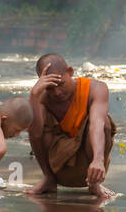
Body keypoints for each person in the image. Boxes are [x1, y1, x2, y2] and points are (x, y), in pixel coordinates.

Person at [27, 53, 117, 201]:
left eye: (61, 84)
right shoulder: (41, 97)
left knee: (105, 122)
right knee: (35, 118)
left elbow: (97, 124)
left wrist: (98, 160)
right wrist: (33, 96)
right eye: (50, 88)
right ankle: (48, 179)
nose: (57, 93)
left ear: (70, 71)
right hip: (58, 165)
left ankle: (94, 185)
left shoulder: (95, 89)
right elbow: (35, 132)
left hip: (92, 166)